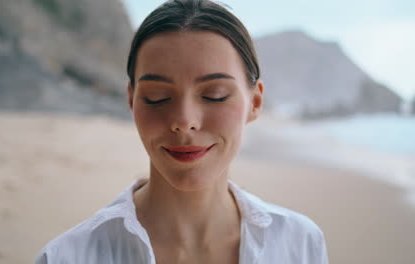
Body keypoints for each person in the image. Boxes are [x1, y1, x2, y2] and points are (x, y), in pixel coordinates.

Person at [35, 0, 329, 263]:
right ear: (131, 100)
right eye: (157, 97)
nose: (184, 121)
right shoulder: (67, 257)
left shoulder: (300, 244)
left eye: (214, 95)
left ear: (255, 101)